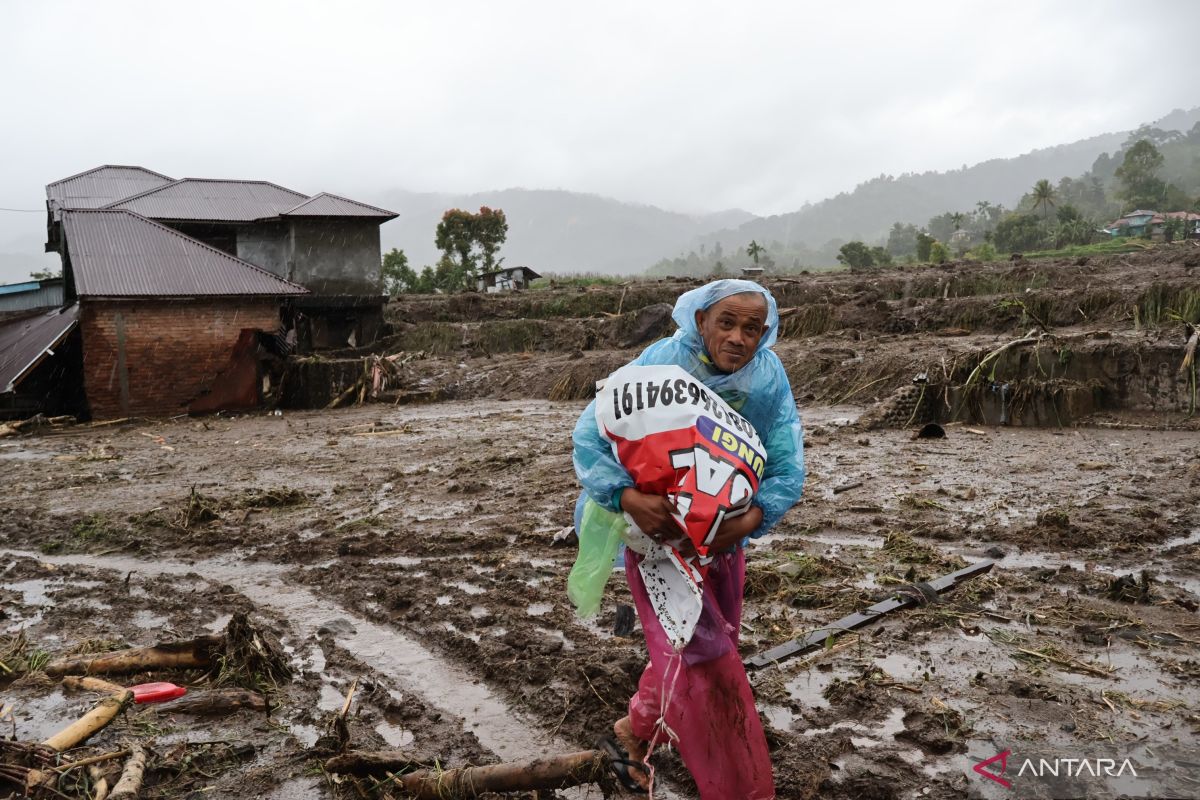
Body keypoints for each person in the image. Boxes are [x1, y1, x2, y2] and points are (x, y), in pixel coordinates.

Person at [572, 279, 805, 799]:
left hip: (723, 544)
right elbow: (591, 436)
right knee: (702, 653)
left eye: (752, 328)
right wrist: (630, 499)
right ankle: (731, 781)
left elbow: (787, 464)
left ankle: (635, 731)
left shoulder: (766, 379)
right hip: (659, 544)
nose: (739, 338)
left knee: (701, 644)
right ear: (700, 321)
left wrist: (748, 522)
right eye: (727, 322)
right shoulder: (661, 364)